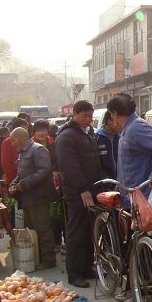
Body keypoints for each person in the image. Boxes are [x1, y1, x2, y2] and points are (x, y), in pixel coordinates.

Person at [107, 93, 152, 302]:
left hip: (145, 200)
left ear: (116, 114)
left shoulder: (136, 128)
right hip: (132, 198)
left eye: (112, 116)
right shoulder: (127, 130)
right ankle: (134, 288)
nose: (112, 121)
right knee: (133, 246)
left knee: (144, 247)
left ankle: (145, 292)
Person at [55, 100, 102, 288]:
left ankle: (86, 267)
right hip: (77, 192)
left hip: (91, 189)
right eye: (85, 116)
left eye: (91, 116)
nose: (89, 120)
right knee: (76, 232)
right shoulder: (67, 136)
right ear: (75, 113)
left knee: (89, 231)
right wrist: (82, 188)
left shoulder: (87, 133)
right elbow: (69, 166)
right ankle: (74, 274)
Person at [8, 127, 57, 270]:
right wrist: (14, 184)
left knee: (42, 228)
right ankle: (37, 257)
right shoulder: (23, 153)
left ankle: (48, 260)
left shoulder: (38, 150)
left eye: (13, 141)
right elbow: (21, 173)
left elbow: (44, 170)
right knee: (32, 229)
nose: (12, 144)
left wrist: (23, 184)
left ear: (20, 138)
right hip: (29, 197)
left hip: (39, 197)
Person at [32, 119, 63, 253]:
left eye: (44, 130)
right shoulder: (31, 146)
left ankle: (57, 242)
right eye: (39, 130)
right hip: (40, 185)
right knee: (46, 217)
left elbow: (59, 160)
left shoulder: (53, 143)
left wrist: (56, 171)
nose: (42, 133)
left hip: (56, 182)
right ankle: (49, 245)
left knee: (57, 214)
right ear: (34, 132)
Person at [96, 110, 119, 180]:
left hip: (121, 181)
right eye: (117, 121)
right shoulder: (96, 138)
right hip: (105, 182)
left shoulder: (121, 138)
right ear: (109, 121)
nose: (120, 124)